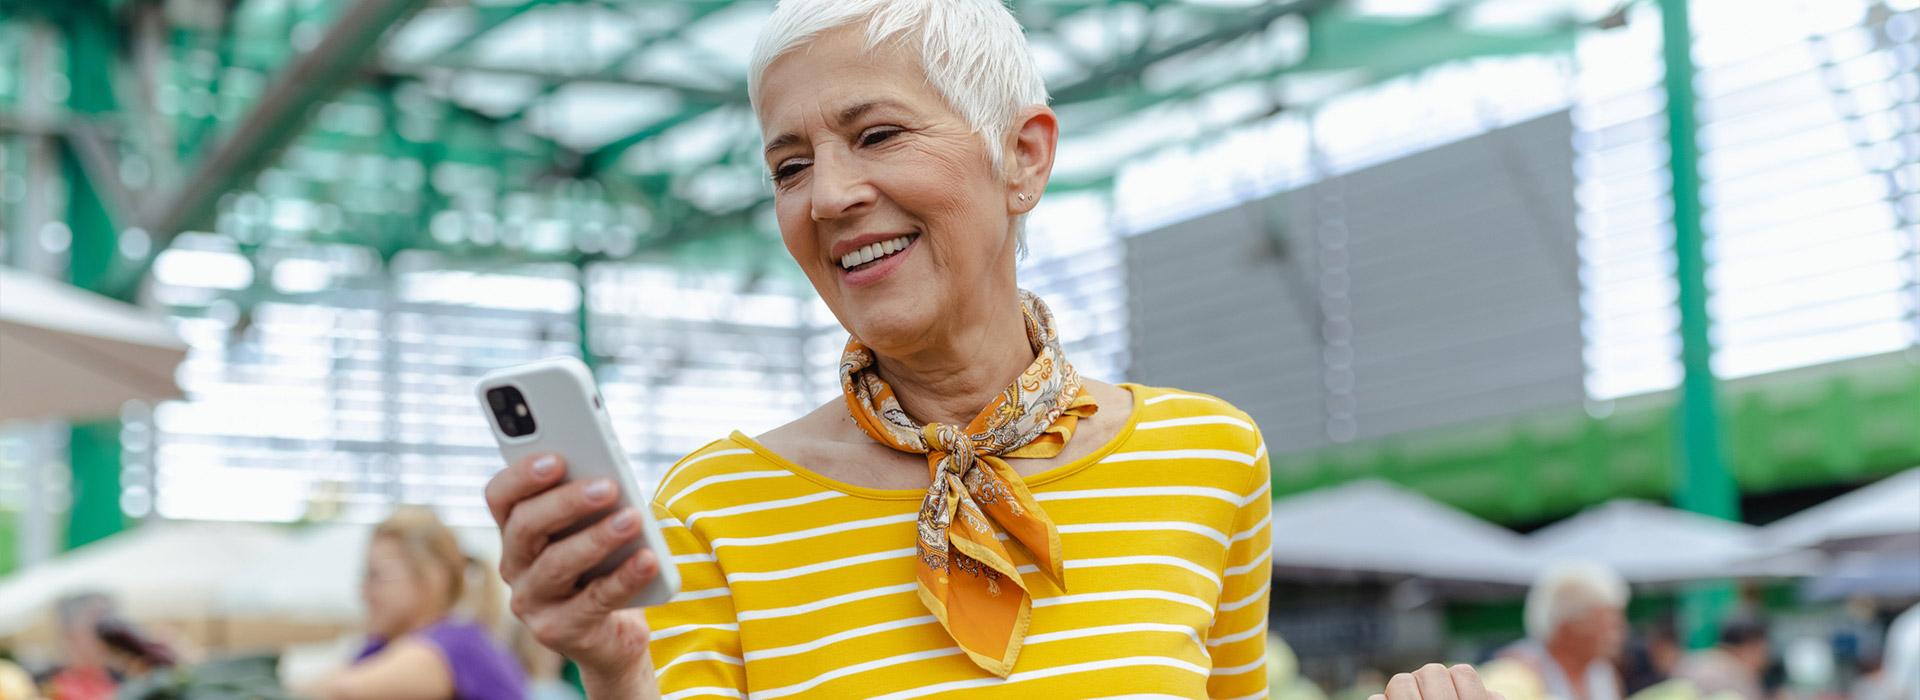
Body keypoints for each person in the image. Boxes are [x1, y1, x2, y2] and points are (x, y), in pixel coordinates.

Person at [484, 1, 1506, 698]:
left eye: (877, 135)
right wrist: (616, 676)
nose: (828, 194)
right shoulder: (713, 507)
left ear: (1023, 156)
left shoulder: (1212, 458)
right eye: (789, 163)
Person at [298, 506, 526, 700]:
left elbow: (340, 690)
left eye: (376, 576)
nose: (365, 592)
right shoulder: (381, 645)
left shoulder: (457, 643)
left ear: (433, 579)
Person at [1482, 562, 1630, 700]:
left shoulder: (1604, 673)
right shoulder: (1517, 672)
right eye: (1610, 625)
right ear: (1569, 625)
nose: (1618, 634)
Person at [1670, 616, 1768, 700]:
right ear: (1750, 647)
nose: (1764, 659)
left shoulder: (1691, 661)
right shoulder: (1738, 673)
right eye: (1761, 650)